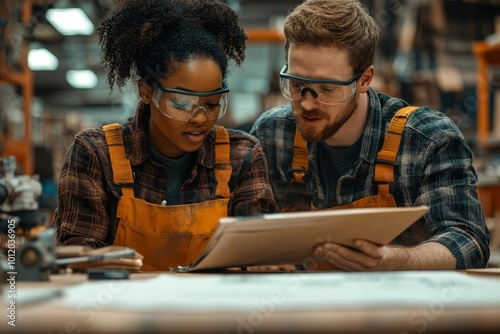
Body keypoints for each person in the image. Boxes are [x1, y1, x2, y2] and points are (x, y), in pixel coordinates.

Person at [250, 0, 490, 271]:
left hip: (398, 310)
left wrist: (394, 260)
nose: (306, 103)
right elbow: (245, 232)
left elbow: (468, 240)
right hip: (296, 309)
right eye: (296, 85)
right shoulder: (272, 135)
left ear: (364, 80)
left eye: (327, 89)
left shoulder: (429, 140)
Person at [55, 0, 277, 271]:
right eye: (182, 104)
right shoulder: (96, 154)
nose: (200, 119)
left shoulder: (241, 156)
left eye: (212, 104)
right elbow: (76, 260)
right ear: (147, 92)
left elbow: (258, 258)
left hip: (216, 310)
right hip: (119, 309)